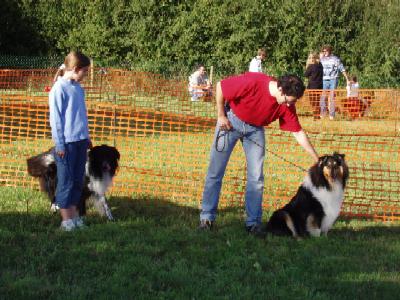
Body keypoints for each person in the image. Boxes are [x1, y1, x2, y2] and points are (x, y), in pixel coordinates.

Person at [198, 72, 319, 236]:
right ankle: (206, 218)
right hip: (231, 121)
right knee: (215, 172)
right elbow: (221, 86)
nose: (292, 104)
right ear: (282, 91)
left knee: (256, 178)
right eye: (292, 99)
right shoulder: (254, 82)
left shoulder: (286, 105)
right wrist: (221, 115)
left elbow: (297, 132)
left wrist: (317, 159)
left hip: (255, 130)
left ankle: (253, 224)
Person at [49, 51, 92, 231]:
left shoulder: (78, 89)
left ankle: (74, 217)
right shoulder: (58, 89)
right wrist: (59, 144)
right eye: (85, 72)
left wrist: (87, 136)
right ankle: (66, 221)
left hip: (80, 141)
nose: (86, 75)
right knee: (66, 181)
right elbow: (56, 119)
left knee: (77, 180)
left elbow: (82, 116)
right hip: (66, 144)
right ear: (75, 69)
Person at [319, 45, 349, 120]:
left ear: (329, 51)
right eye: (323, 51)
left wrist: (347, 79)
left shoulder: (335, 59)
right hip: (324, 79)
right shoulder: (322, 59)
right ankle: (323, 113)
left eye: (325, 51)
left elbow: (341, 68)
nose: (324, 52)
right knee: (323, 97)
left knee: (332, 96)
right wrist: (320, 57)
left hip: (333, 79)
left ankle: (332, 115)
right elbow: (316, 66)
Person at [304, 52, 323, 119]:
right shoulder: (320, 65)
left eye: (313, 57)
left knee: (313, 101)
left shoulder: (311, 66)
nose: (312, 59)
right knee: (317, 101)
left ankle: (315, 115)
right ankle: (317, 114)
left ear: (315, 58)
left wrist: (307, 66)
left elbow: (305, 75)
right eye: (310, 58)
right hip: (320, 86)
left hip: (312, 86)